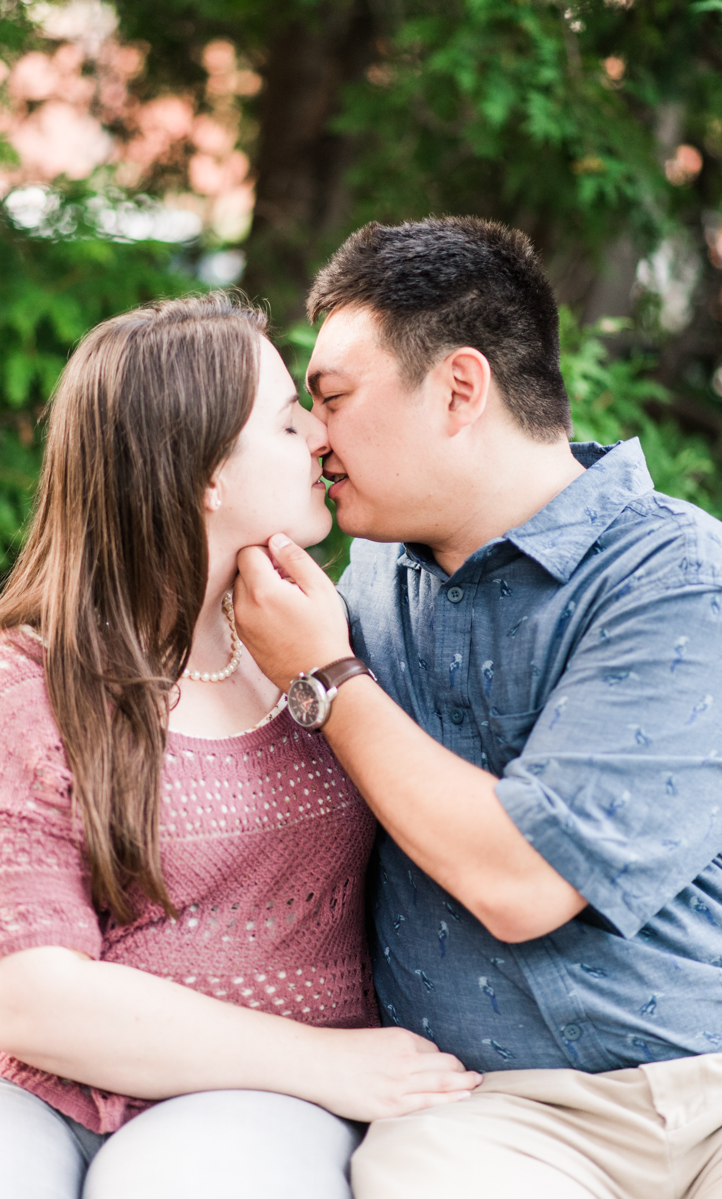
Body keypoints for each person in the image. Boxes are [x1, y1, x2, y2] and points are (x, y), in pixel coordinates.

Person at [0, 293, 479, 1199]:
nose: (319, 440)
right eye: (286, 420)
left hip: (253, 1097)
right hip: (16, 1080)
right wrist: (329, 1062)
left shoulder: (327, 641)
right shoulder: (17, 683)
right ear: (204, 475)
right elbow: (12, 991)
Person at [234, 217, 722, 1199]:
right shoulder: (353, 583)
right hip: (487, 1112)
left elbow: (525, 881)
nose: (314, 435)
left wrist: (328, 680)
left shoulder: (678, 576)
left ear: (460, 387)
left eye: (331, 398)